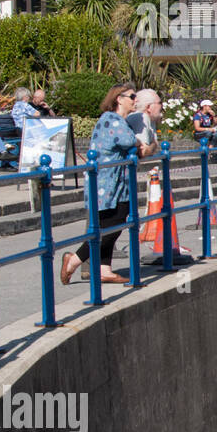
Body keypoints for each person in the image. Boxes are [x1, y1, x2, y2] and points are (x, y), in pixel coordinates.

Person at [61, 85, 157, 286]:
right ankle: (74, 260)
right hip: (107, 185)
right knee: (111, 226)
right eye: (131, 96)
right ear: (118, 99)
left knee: (112, 223)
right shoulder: (111, 120)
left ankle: (104, 269)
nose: (134, 99)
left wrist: (146, 147)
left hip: (116, 184)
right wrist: (151, 146)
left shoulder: (118, 121)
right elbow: (135, 144)